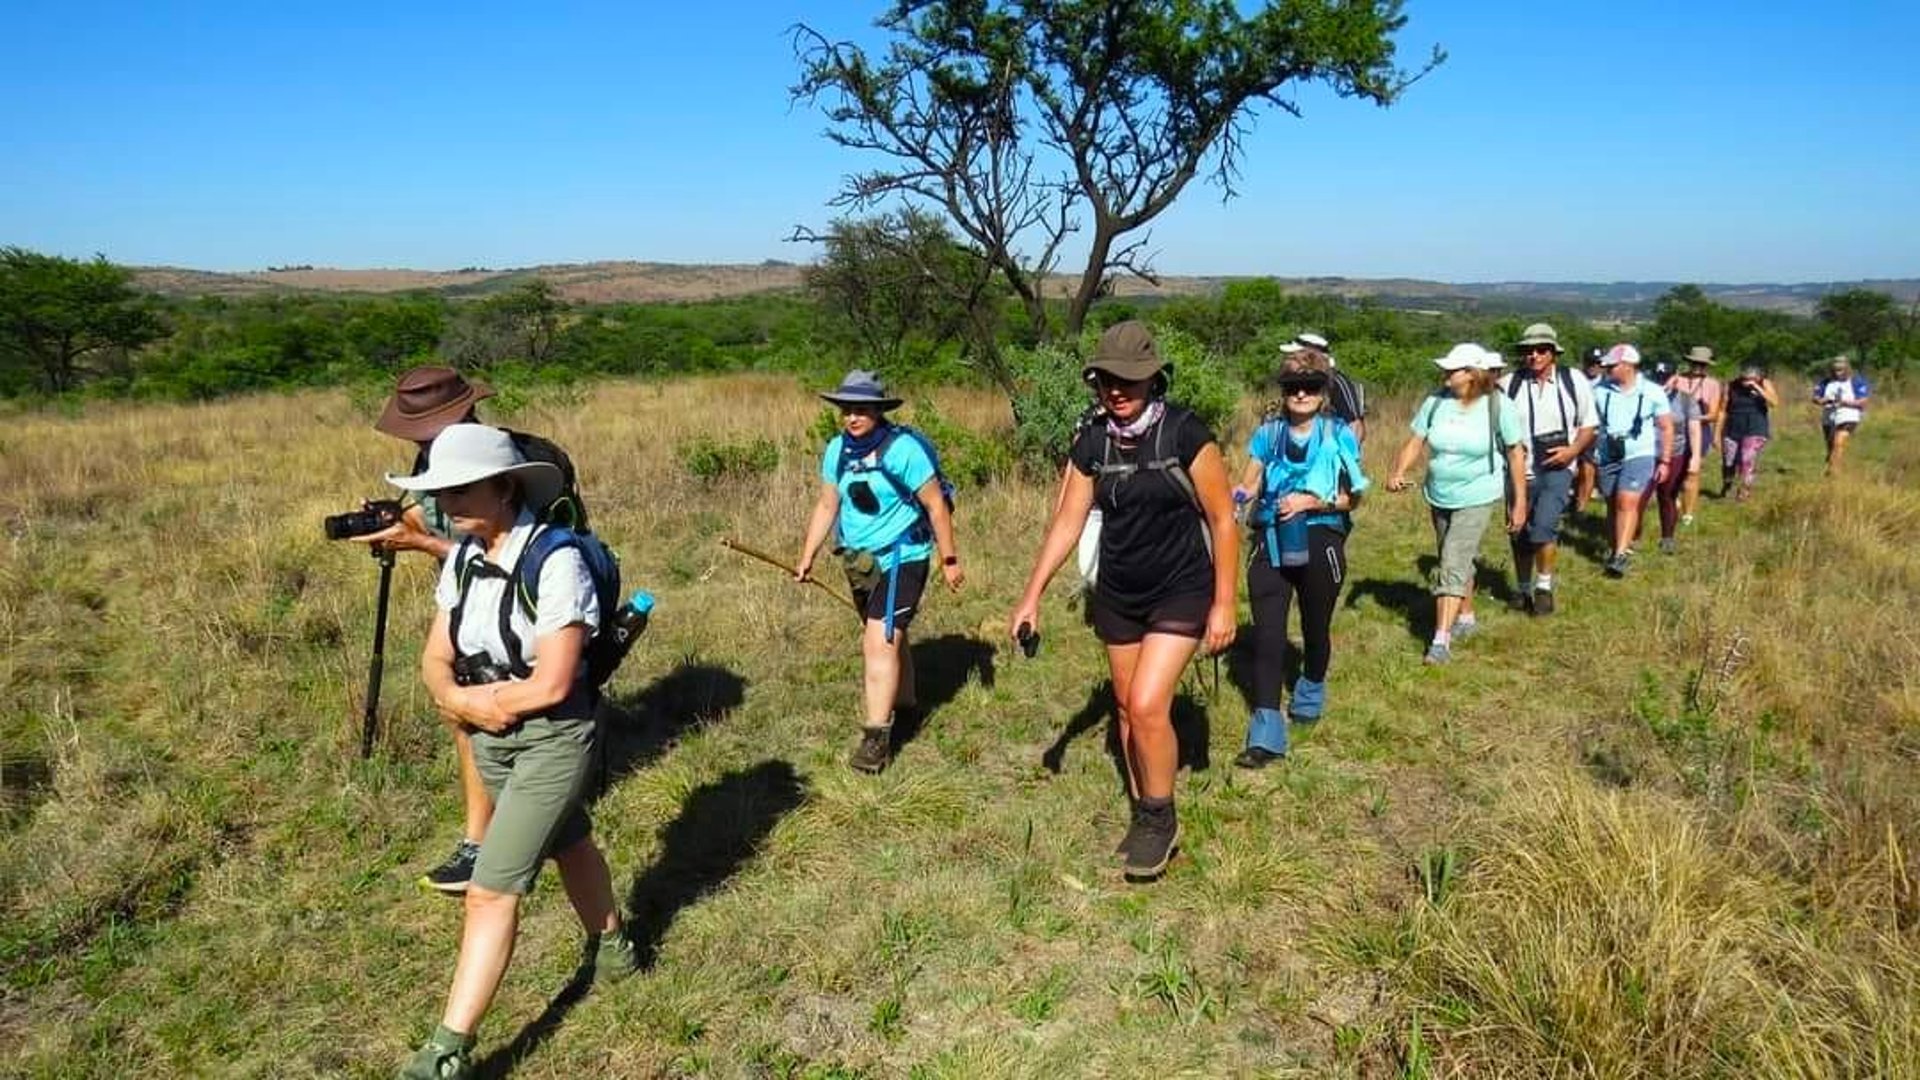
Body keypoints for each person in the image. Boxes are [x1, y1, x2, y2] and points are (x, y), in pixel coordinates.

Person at [388, 424, 630, 1080]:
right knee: (570, 841)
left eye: (461, 488)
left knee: (490, 893)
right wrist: (460, 701)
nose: (447, 503)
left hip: (552, 736)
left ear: (505, 487)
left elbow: (554, 682)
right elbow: (435, 657)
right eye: (439, 491)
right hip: (490, 739)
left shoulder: (557, 562)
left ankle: (448, 1049)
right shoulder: (463, 557)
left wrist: (479, 705)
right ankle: (614, 949)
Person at [1009, 321, 1237, 880]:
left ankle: (1161, 818)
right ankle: (1144, 812)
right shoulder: (1093, 441)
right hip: (1119, 590)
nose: (1118, 390)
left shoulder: (1186, 434)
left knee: (1147, 704)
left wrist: (1225, 602)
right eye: (1108, 379)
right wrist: (1031, 595)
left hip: (1182, 586)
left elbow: (1223, 519)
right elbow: (1067, 522)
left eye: (1130, 381)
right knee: (1124, 708)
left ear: (1154, 380)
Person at [356, 365, 586, 896]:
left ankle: (486, 845)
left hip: (538, 611)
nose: (424, 440)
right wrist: (400, 525)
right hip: (471, 605)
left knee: (517, 715)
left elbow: (533, 552)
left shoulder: (528, 460)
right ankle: (489, 832)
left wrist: (426, 546)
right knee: (466, 713)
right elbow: (461, 541)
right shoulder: (430, 460)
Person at [795, 371, 963, 774]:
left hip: (904, 555)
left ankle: (875, 741)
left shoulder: (904, 450)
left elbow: (937, 505)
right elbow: (826, 506)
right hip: (860, 562)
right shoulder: (837, 450)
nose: (852, 417)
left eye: (861, 409)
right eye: (846, 410)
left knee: (877, 641)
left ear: (878, 410)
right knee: (888, 636)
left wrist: (950, 559)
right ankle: (905, 706)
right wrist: (807, 555)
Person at [1231, 355, 1368, 767]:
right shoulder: (1268, 435)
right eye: (1293, 387)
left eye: (1310, 385)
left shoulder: (1337, 433)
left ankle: (1310, 689)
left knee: (1314, 626)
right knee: (1268, 634)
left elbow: (1355, 495)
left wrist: (1312, 501)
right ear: (1283, 391)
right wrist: (1233, 502)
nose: (1302, 394)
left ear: (1324, 390)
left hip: (1322, 535)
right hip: (1270, 536)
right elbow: (1249, 481)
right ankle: (1267, 733)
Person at [1385, 344, 1527, 665]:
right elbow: (1416, 441)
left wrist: (1519, 502)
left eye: (1453, 369)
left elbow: (1516, 453)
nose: (1446, 373)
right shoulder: (1435, 402)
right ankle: (1465, 617)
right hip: (1439, 493)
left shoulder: (1497, 405)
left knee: (1451, 561)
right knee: (1454, 556)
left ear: (1472, 374)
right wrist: (1398, 471)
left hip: (1477, 494)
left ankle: (1439, 642)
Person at [1500, 323, 1597, 615]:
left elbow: (1589, 424)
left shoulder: (1573, 380)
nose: (1534, 355)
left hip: (1558, 468)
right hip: (1518, 470)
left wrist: (1572, 451)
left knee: (1543, 527)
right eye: (1528, 350)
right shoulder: (1508, 384)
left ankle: (1543, 586)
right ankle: (1522, 588)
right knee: (1518, 533)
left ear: (1553, 353)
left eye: (1541, 350)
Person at [1590, 345, 1675, 576]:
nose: (1606, 369)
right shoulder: (1599, 390)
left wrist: (1665, 460)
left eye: (1612, 365)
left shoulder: (1653, 392)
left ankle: (1620, 555)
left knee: (1626, 501)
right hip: (1608, 454)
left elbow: (1666, 427)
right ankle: (1615, 546)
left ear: (1628, 365)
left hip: (1640, 454)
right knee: (1611, 503)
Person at [1649, 359, 1703, 555]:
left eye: (1666, 378)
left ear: (1675, 378)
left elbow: (1694, 430)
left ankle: (1667, 538)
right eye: (1657, 378)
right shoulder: (1645, 396)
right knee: (1639, 498)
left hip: (1675, 453)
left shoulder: (1686, 400)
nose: (1661, 382)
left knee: (1667, 495)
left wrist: (1695, 457)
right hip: (1646, 453)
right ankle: (1631, 539)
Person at [1284, 331, 1368, 443]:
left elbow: (1355, 425)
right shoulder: (1291, 380)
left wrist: (1344, 455)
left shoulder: (1337, 382)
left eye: (1295, 355)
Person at [1672, 346, 1724, 523]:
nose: (1697, 367)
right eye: (1694, 363)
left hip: (1700, 431)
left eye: (1701, 364)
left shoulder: (1712, 384)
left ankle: (1688, 513)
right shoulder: (1677, 379)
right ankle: (1674, 501)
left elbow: (1714, 414)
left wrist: (1694, 418)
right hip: (1676, 430)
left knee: (1692, 471)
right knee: (1674, 469)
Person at [1721, 363, 1780, 501]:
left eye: (1751, 379)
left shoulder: (1764, 383)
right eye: (1745, 379)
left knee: (1746, 459)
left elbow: (1774, 402)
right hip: (1733, 427)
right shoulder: (1732, 385)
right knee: (1729, 461)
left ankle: (1744, 491)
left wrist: (1758, 388)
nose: (1747, 382)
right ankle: (1727, 484)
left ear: (1758, 377)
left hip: (1755, 427)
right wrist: (1719, 431)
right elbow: (1723, 409)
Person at [1812, 356, 1870, 475]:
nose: (1838, 372)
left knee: (1839, 442)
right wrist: (1822, 400)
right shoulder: (1826, 382)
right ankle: (1832, 466)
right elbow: (1815, 397)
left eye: (1841, 369)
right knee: (1831, 446)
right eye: (1835, 370)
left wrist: (1845, 402)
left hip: (1849, 415)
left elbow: (1863, 401)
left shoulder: (1857, 381)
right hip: (1829, 416)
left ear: (1847, 369)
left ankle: (1834, 472)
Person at [1573, 345, 1608, 511]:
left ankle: (1581, 505)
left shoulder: (1608, 386)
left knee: (1588, 469)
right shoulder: (1574, 381)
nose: (1594, 367)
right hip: (1573, 430)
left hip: (1594, 432)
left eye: (1598, 364)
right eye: (1591, 363)